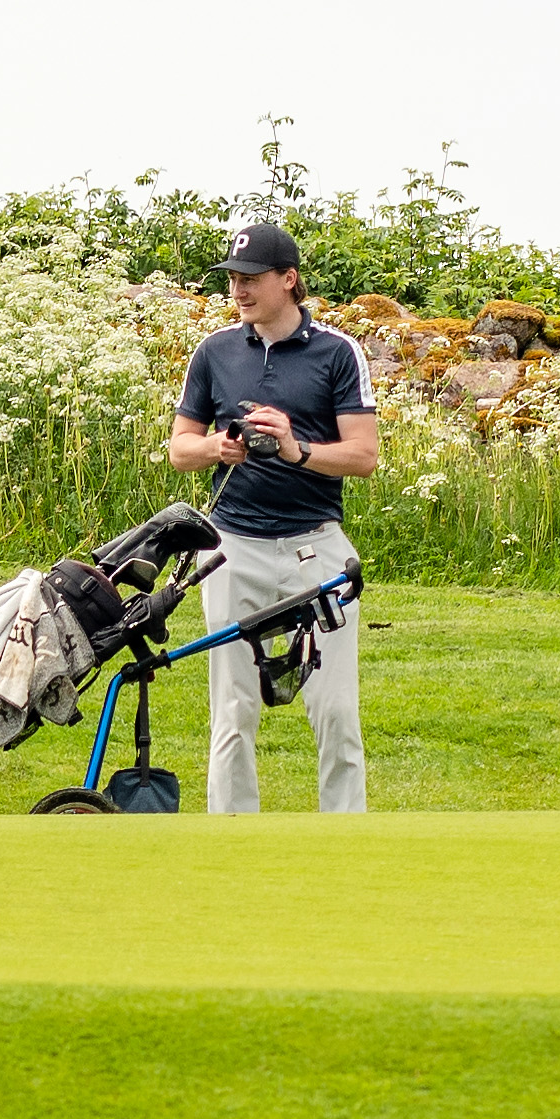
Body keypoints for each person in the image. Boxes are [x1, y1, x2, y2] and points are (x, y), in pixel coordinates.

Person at [154, 216, 373, 815]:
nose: (240, 289)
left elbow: (363, 456)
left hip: (315, 547)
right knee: (232, 709)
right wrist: (218, 448)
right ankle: (233, 845)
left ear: (288, 279)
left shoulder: (337, 353)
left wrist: (295, 447)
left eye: (252, 277)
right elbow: (180, 449)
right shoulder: (215, 351)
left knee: (334, 711)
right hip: (231, 547)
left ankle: (345, 842)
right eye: (233, 278)